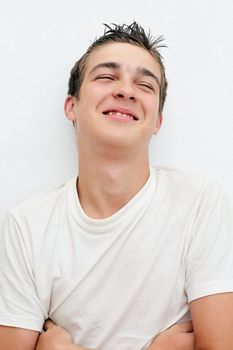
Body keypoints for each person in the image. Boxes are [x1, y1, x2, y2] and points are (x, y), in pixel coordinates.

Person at [0, 21, 233, 350]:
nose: (126, 91)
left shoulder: (199, 203)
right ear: (72, 107)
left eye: (145, 85)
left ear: (157, 121)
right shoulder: (26, 226)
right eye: (106, 77)